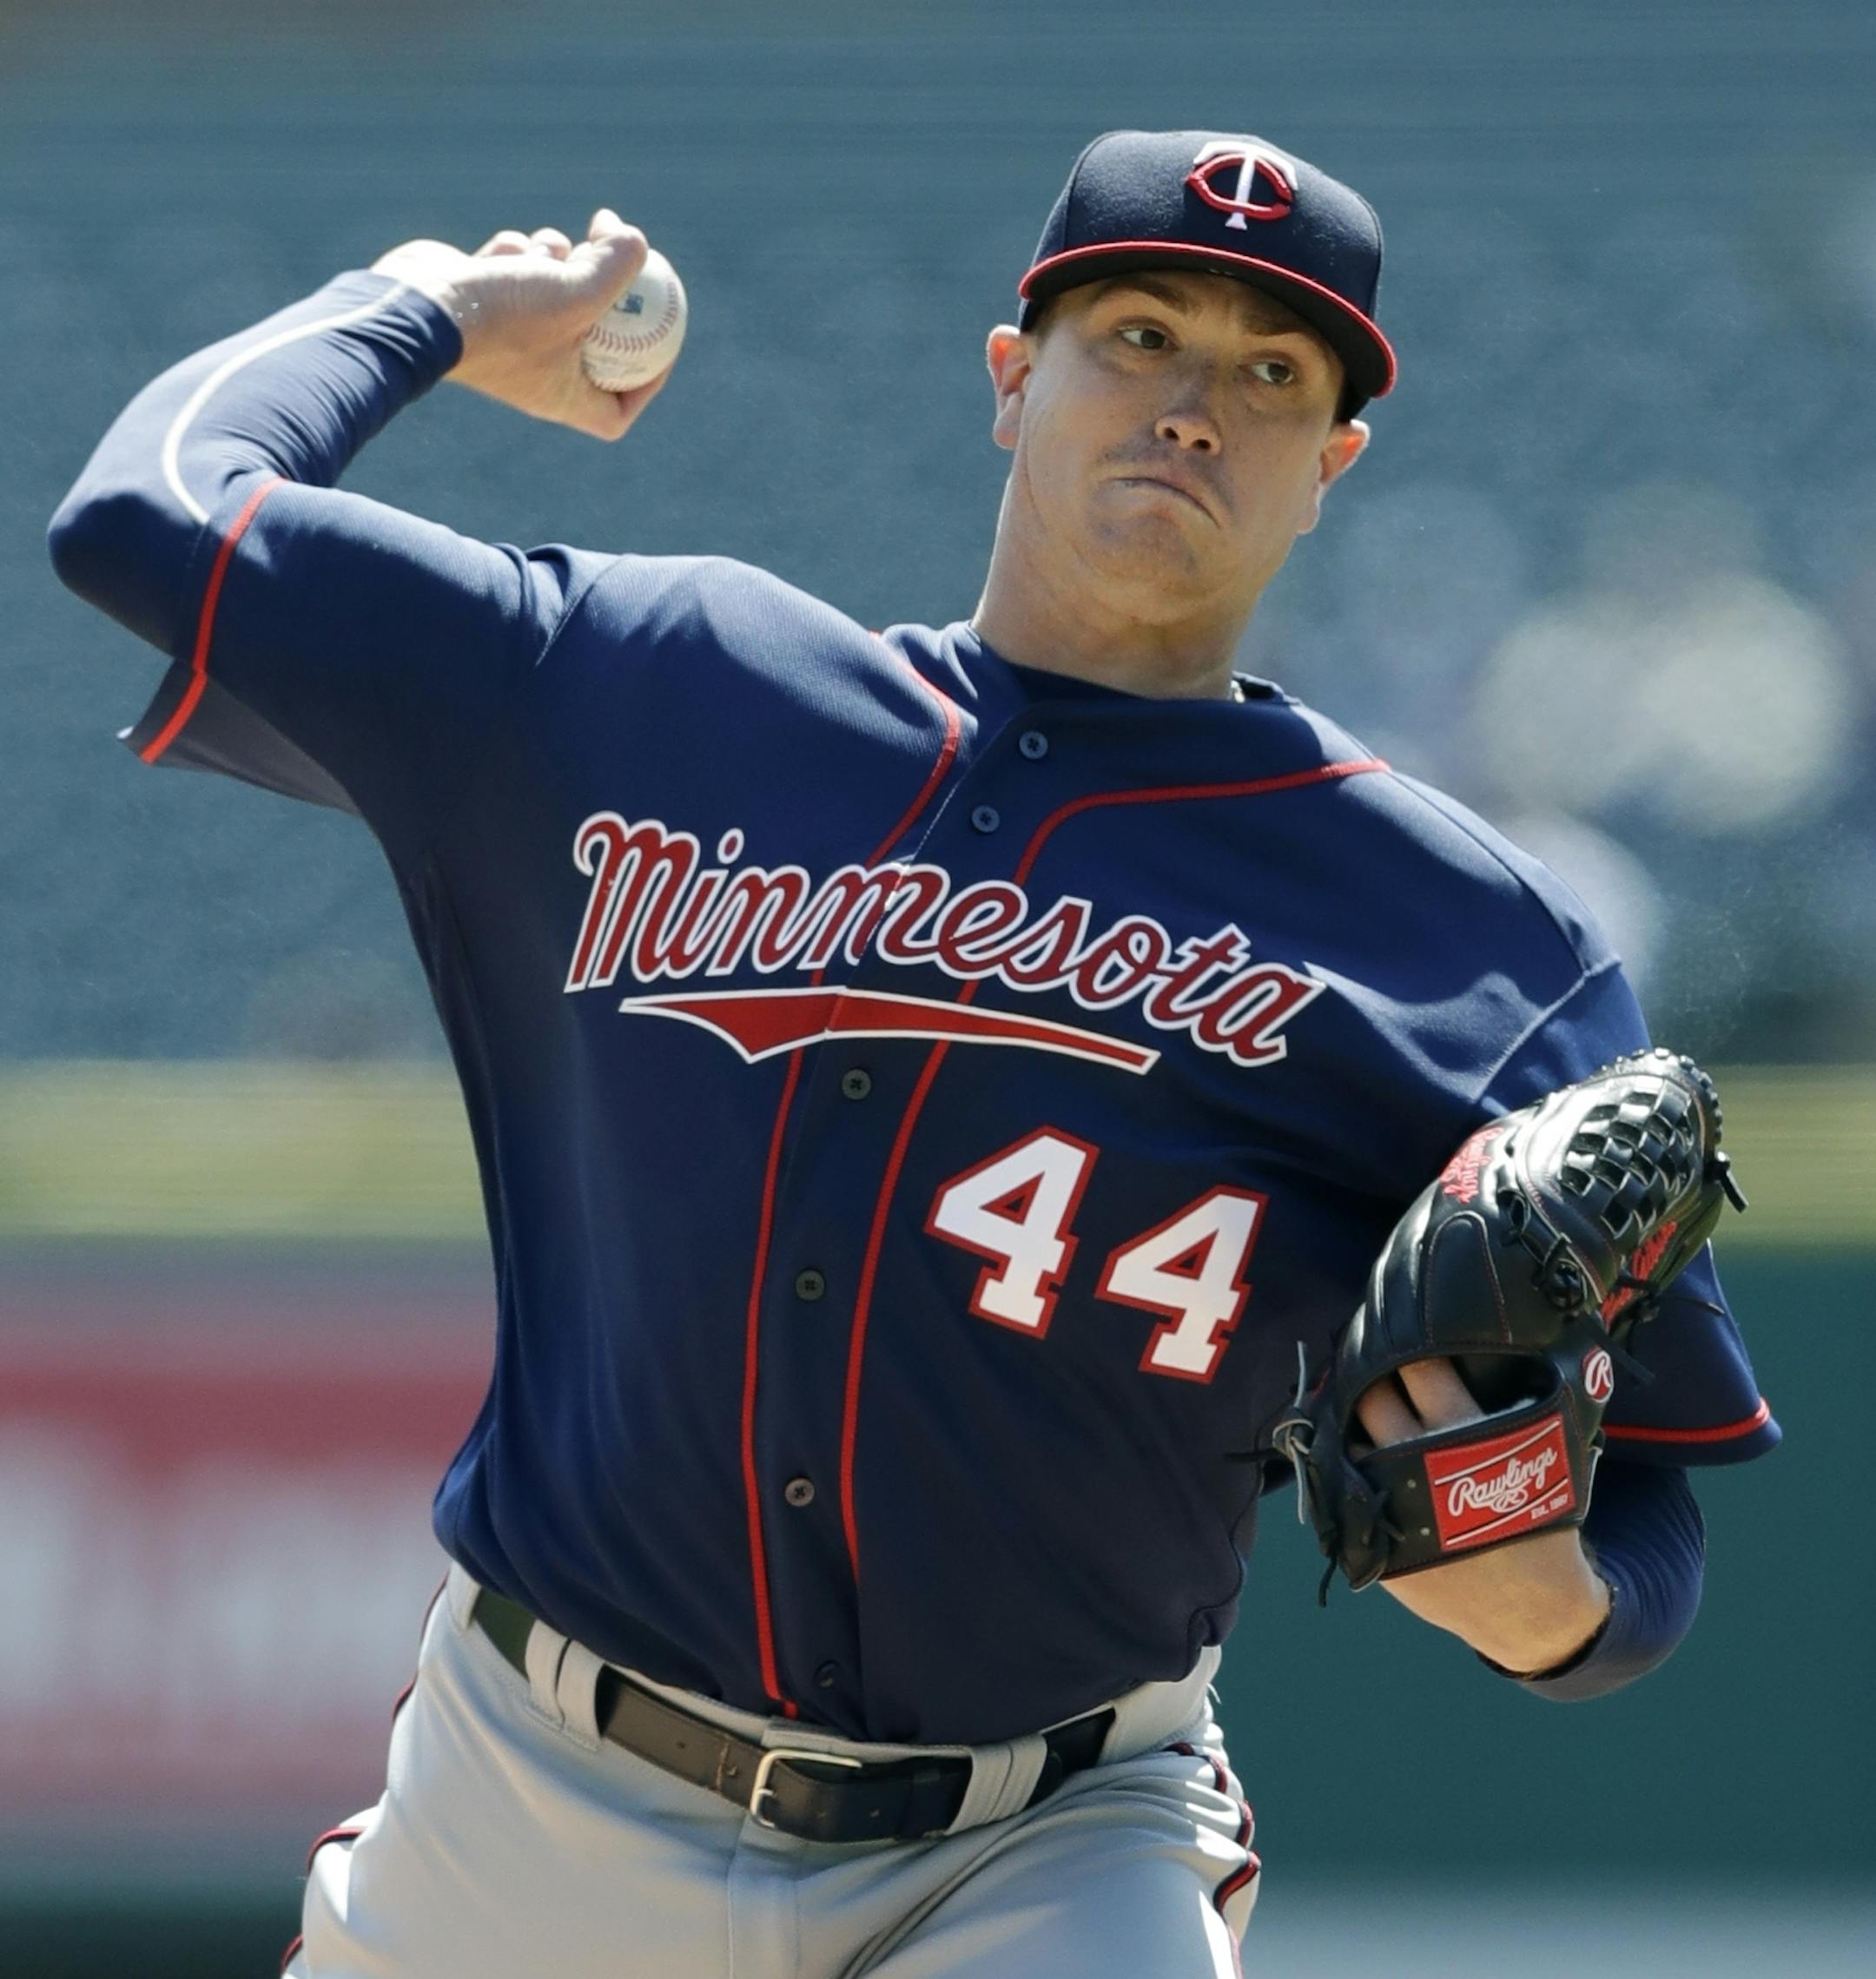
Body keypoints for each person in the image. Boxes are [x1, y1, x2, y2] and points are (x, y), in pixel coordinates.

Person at [49, 128, 1776, 1979]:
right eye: (1136, 333)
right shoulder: (643, 689)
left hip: (1046, 1843)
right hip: (534, 1793)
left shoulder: (1470, 945)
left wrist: (1561, 1608)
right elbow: (149, 512)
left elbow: (1657, 1493)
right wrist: (429, 310)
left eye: (1272, 374)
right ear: (1012, 378)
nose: (1194, 405)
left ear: (1332, 466)